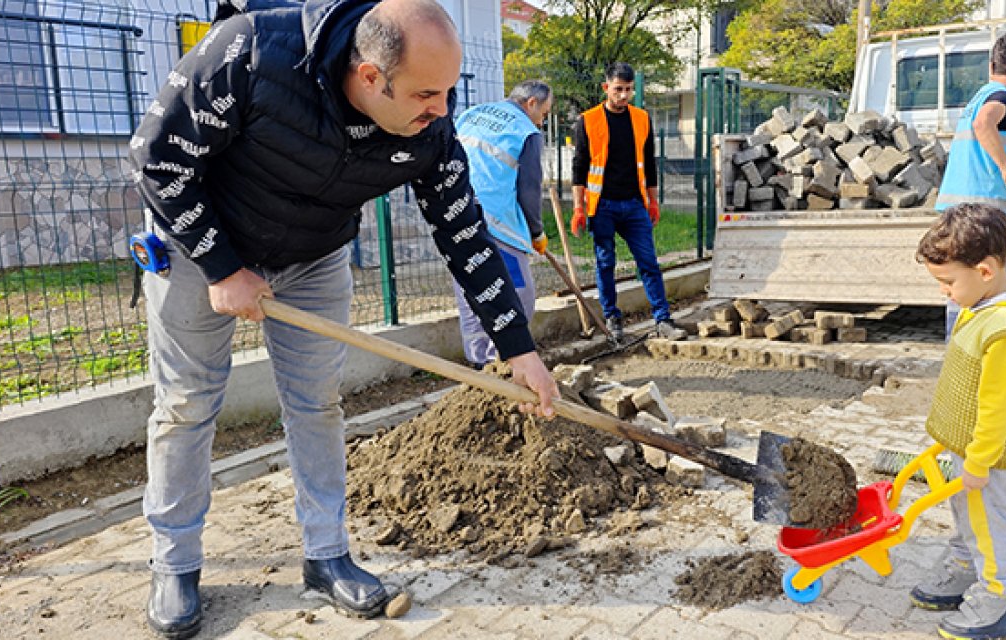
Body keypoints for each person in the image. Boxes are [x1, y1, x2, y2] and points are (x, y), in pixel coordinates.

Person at [127, 1, 559, 637]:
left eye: (448, 91)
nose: (442, 110)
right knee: (187, 404)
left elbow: (465, 236)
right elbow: (157, 157)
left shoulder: (430, 130)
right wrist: (222, 269)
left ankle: (327, 555)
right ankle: (176, 562)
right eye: (425, 93)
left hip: (313, 255)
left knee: (317, 403)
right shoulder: (248, 53)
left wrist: (519, 349)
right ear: (368, 77)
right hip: (200, 244)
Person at [910, 204, 1006, 640]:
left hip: (984, 455)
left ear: (985, 271)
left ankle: (993, 601)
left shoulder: (1005, 327)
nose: (945, 292)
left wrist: (979, 461)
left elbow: (999, 406)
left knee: (988, 524)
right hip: (966, 449)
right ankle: (965, 568)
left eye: (948, 282)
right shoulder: (981, 304)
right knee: (968, 517)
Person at [569, 62, 686, 341]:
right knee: (605, 263)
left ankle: (663, 319)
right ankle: (612, 318)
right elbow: (579, 167)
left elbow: (651, 164)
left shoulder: (642, 119)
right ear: (606, 88)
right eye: (618, 89)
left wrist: (653, 201)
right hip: (602, 206)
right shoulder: (587, 121)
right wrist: (578, 208)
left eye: (629, 90)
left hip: (634, 205)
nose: (623, 95)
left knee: (648, 262)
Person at [934, 31, 1006, 338]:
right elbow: (984, 124)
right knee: (983, 285)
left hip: (956, 208)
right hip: (983, 211)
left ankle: (961, 347)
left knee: (959, 284)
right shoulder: (1003, 98)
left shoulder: (978, 96)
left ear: (992, 65)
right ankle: (980, 347)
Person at [452, 80, 552, 368]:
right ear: (531, 103)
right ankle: (507, 359)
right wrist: (536, 232)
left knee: (469, 289)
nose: (542, 121)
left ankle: (479, 363)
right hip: (496, 224)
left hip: (455, 217)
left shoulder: (472, 114)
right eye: (543, 113)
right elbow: (529, 189)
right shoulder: (526, 131)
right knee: (519, 292)